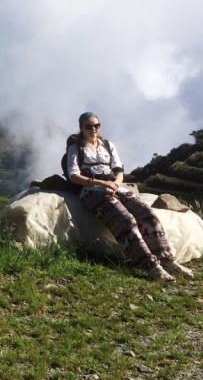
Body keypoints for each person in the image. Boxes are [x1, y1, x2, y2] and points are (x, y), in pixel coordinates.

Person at [67, 112, 194, 282]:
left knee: (146, 213)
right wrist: (103, 184)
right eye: (88, 126)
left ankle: (168, 260)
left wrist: (114, 185)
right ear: (81, 128)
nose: (93, 129)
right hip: (91, 191)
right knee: (126, 220)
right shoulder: (76, 148)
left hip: (114, 187)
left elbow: (119, 171)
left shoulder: (107, 145)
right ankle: (152, 266)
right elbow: (74, 175)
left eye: (96, 125)